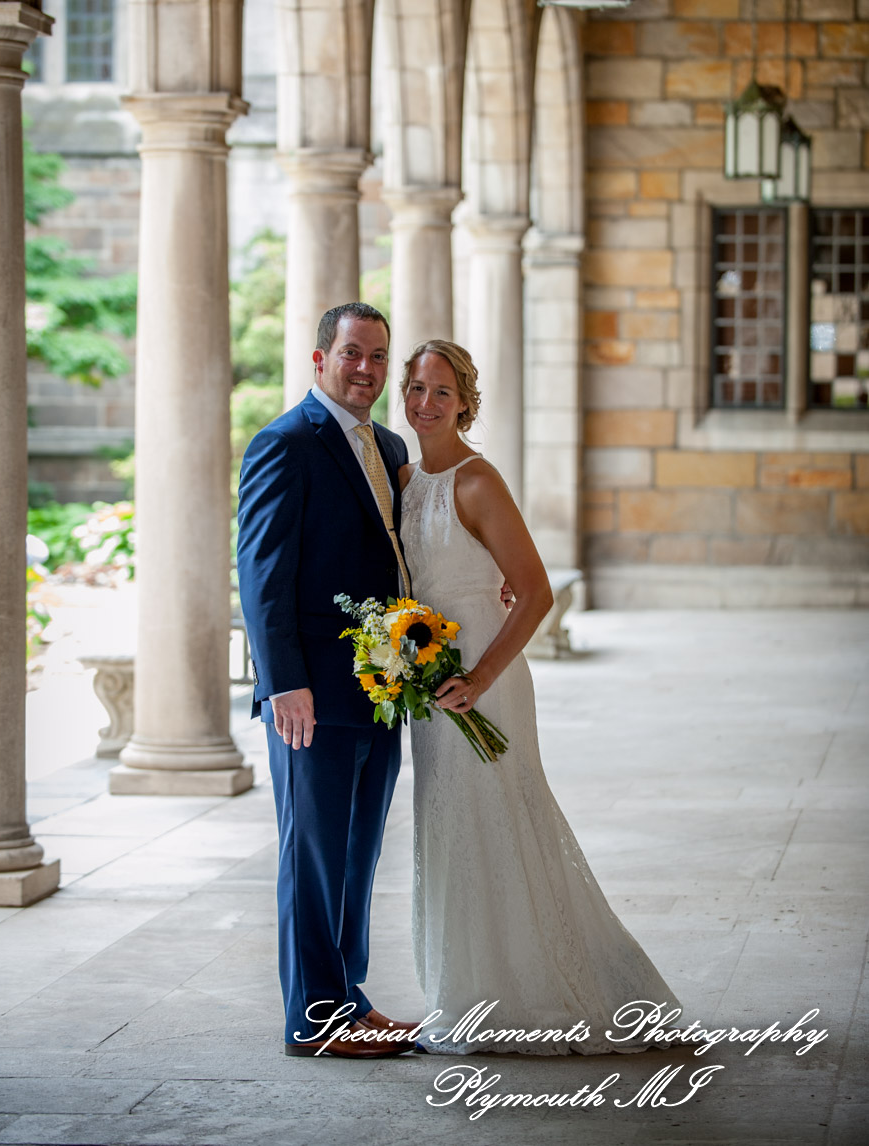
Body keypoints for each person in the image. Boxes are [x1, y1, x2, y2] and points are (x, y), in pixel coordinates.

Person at [398, 339, 681, 1055]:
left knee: (504, 816)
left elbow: (536, 591)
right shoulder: (403, 479)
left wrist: (483, 676)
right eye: (416, 388)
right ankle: (467, 990)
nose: (425, 403)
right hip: (430, 685)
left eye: (440, 392)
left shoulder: (476, 480)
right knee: (451, 824)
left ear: (464, 401)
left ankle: (538, 986)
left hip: (484, 685)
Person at [236, 303, 417, 1059]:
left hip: (381, 688)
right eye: (352, 354)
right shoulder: (284, 444)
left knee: (355, 854)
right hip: (311, 692)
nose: (366, 369)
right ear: (320, 360)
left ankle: (350, 997)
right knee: (311, 855)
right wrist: (284, 683)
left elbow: (402, 554)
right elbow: (262, 574)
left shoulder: (388, 442)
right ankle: (313, 1019)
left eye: (378, 355)